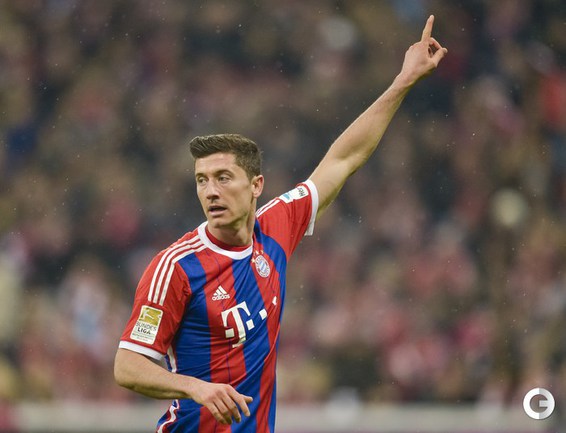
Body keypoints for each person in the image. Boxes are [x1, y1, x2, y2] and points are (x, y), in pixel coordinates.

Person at [114, 15, 447, 433]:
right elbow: (127, 365)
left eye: (223, 178)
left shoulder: (276, 226)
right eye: (202, 180)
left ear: (256, 185)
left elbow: (344, 159)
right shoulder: (176, 267)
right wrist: (195, 388)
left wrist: (403, 81)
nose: (211, 191)